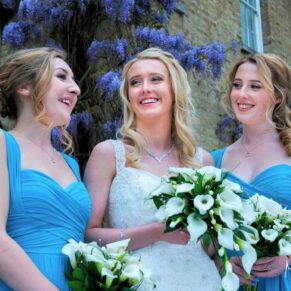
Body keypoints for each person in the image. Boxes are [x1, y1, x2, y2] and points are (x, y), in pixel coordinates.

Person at [84, 47, 221, 291]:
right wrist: (156, 232)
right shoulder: (109, 154)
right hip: (138, 283)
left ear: (173, 89)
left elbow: (209, 247)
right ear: (128, 95)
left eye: (156, 79)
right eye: (135, 82)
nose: (145, 88)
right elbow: (90, 235)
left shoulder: (203, 161)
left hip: (201, 282)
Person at [0, 47, 91, 290]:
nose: (76, 88)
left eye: (73, 79)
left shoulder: (71, 165)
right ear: (25, 87)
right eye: (61, 77)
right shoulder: (3, 144)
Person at [211, 53, 291, 290]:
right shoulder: (214, 160)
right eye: (237, 85)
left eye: (254, 86)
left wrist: (288, 258)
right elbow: (205, 240)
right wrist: (220, 261)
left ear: (277, 96)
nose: (241, 94)